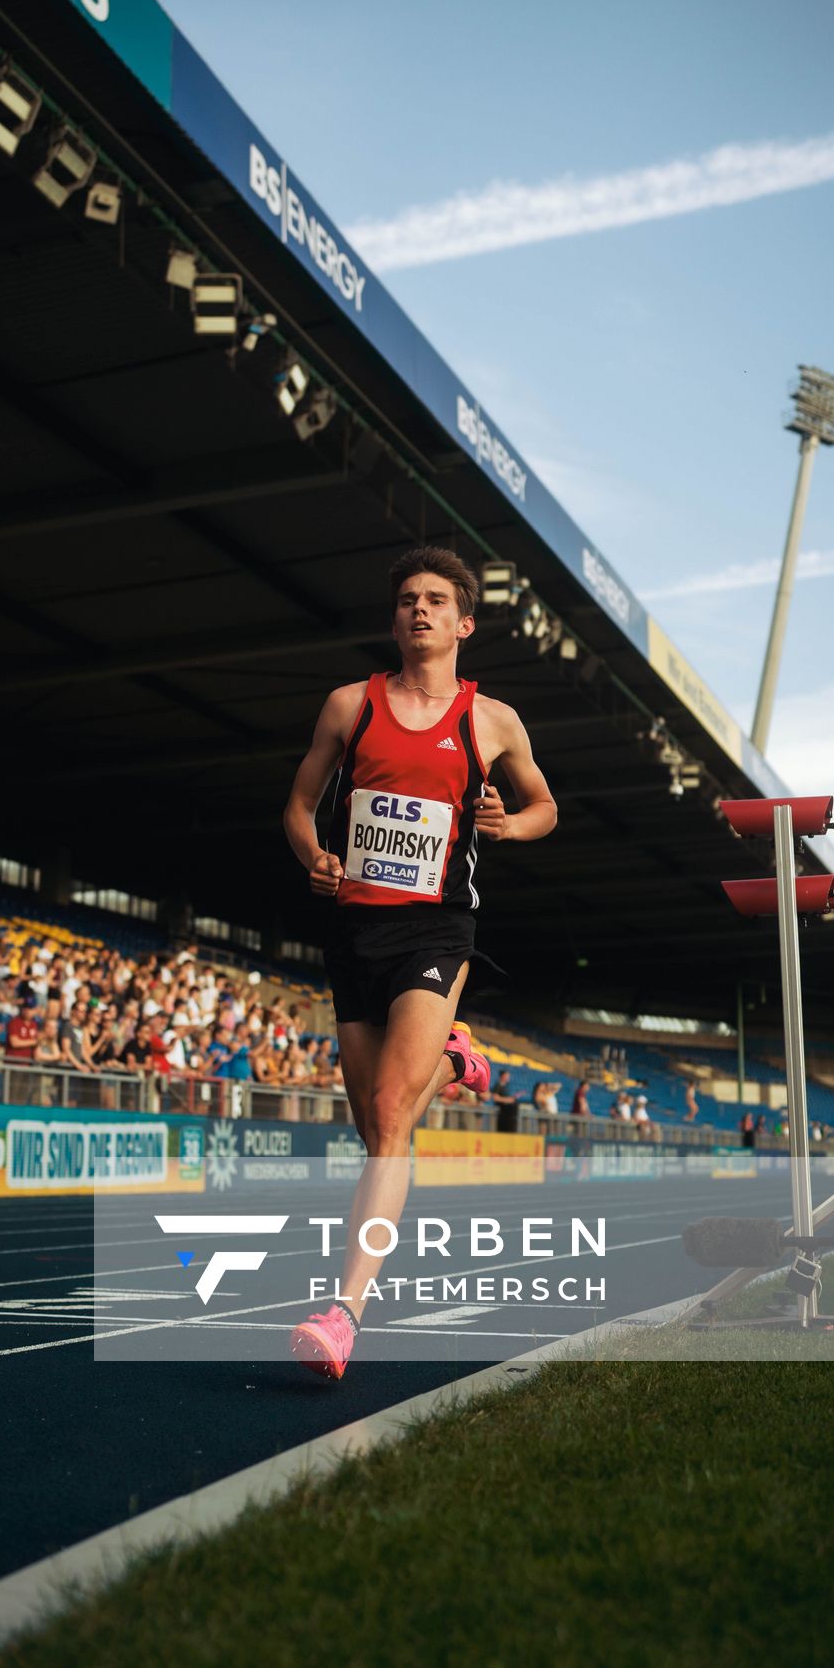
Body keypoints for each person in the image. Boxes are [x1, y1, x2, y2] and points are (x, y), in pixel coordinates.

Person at [282, 545, 557, 1379]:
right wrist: (314, 856)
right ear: (394, 618)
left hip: (437, 930)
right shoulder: (349, 706)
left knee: (392, 1111)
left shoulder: (492, 720)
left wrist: (510, 825)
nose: (420, 609)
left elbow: (546, 807)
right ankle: (455, 1060)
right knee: (375, 1127)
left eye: (436, 599)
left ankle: (344, 1312)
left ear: (464, 623)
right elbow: (298, 806)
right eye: (408, 598)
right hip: (353, 931)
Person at [492, 1067, 520, 1135]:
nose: (508, 1077)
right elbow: (496, 1098)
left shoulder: (506, 1086)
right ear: (502, 1076)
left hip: (509, 1115)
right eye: (507, 1075)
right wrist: (508, 1100)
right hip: (502, 1114)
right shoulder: (498, 1085)